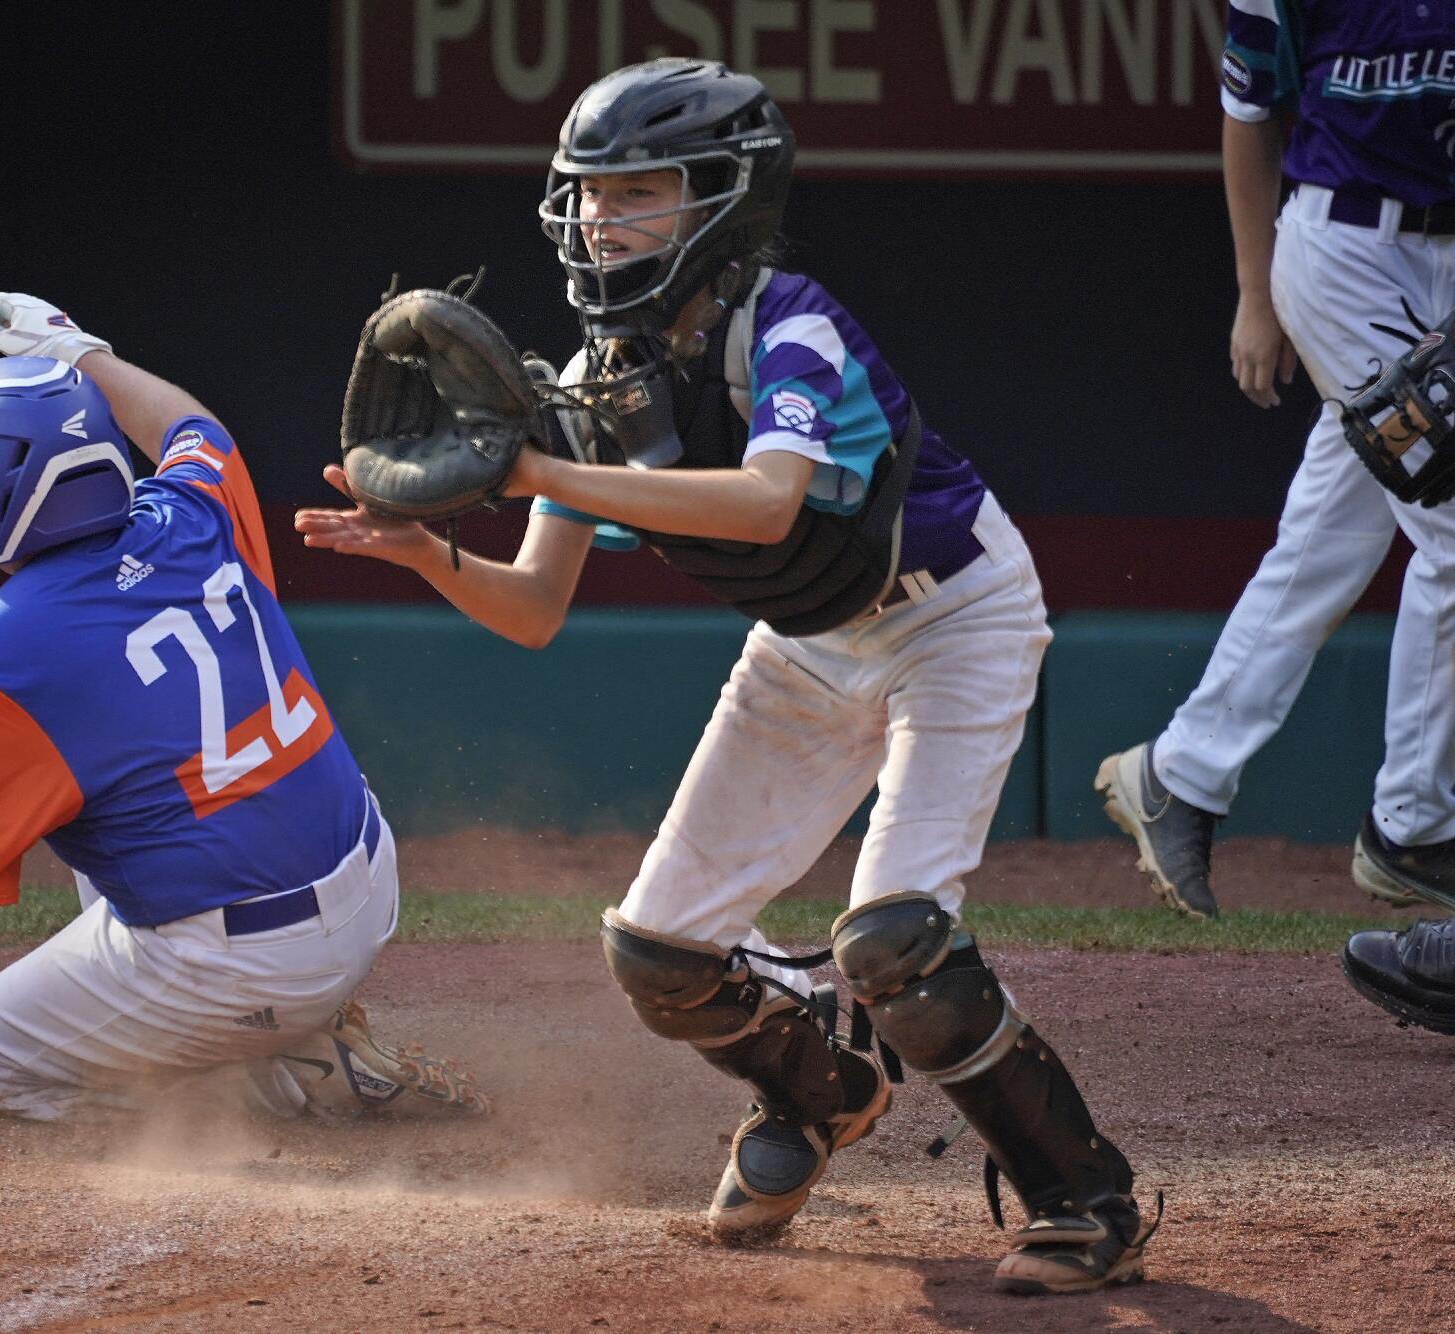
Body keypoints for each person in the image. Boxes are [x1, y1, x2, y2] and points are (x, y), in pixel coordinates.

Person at [297, 59, 1150, 1296]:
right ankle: (827, 1094)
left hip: (951, 615)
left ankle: (1084, 1200)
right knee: (661, 956)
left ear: (720, 198)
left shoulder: (786, 318)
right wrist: (433, 550)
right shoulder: (590, 381)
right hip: (807, 644)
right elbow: (533, 608)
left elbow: (763, 504)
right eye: (589, 196)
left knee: (896, 943)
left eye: (635, 192)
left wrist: (537, 472)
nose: (601, 222)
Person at [0, 293, 488, 1125]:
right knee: (104, 814)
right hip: (368, 884)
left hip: (250, 965)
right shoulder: (192, 512)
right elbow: (191, 426)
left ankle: (258, 1091)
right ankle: (304, 1037)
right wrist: (82, 354)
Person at [1096, 2, 1455, 921]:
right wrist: (1257, 294)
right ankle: (1412, 825)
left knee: (1323, 546)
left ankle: (1179, 773)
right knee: (1454, 531)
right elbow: (1250, 117)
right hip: (1347, 254)